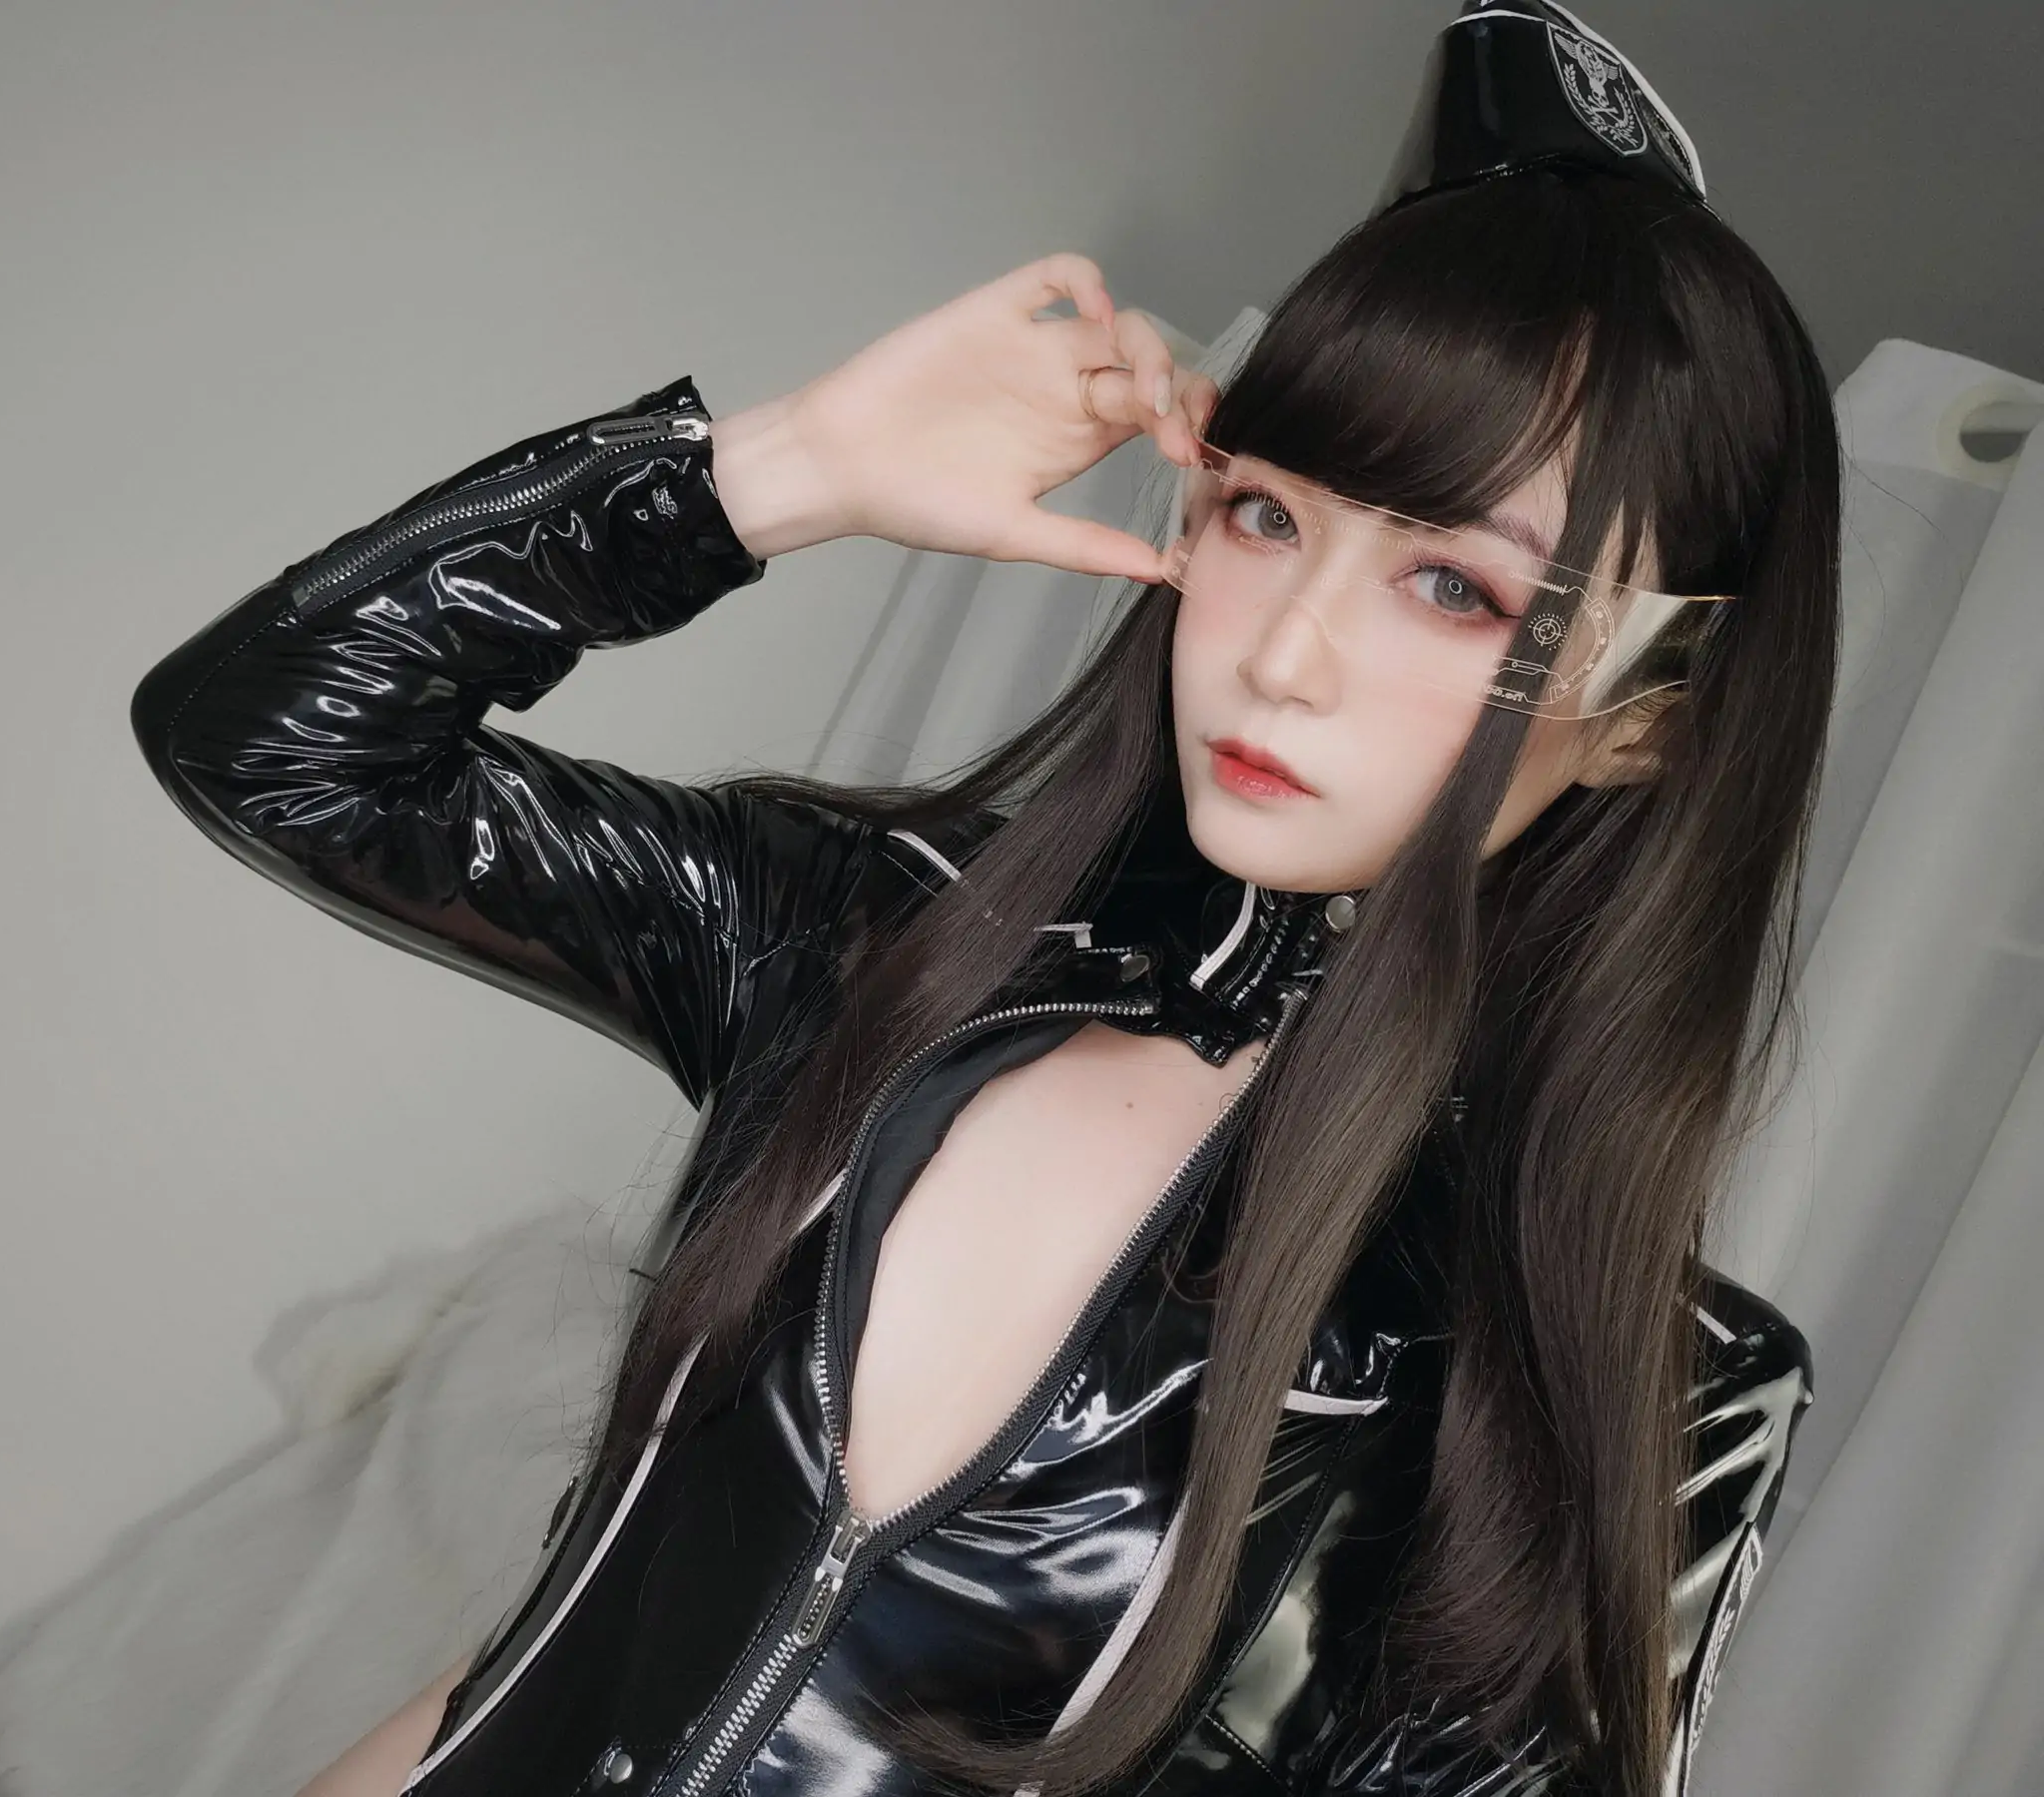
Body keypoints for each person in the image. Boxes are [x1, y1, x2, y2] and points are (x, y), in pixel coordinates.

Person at [130, 5, 1828, 1792]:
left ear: (1652, 708)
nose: (1284, 657)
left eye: (1455, 591)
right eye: (1264, 517)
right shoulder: (877, 940)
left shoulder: (1627, 1381)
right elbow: (274, 742)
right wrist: (780, 471)